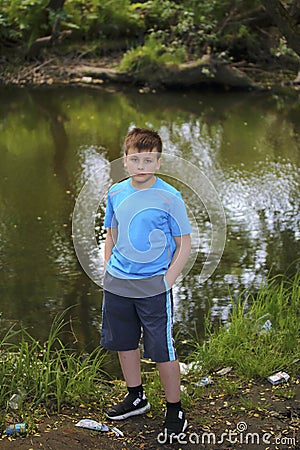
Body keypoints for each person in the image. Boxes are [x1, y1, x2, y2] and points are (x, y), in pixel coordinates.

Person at [101, 127, 192, 437]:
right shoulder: (116, 192)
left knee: (161, 347)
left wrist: (167, 281)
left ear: (159, 162)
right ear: (125, 160)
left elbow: (185, 244)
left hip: (153, 284)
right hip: (118, 283)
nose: (141, 166)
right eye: (135, 159)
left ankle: (174, 409)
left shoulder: (170, 196)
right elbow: (110, 233)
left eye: (148, 160)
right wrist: (108, 269)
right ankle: (136, 396)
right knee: (124, 342)